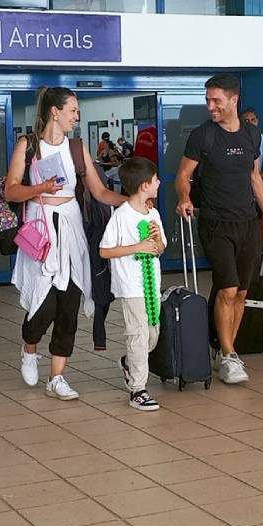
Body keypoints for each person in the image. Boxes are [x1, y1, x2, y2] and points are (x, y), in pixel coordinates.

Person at [5, 87, 126, 400]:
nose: (76, 116)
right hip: (41, 231)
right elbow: (11, 191)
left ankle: (57, 377)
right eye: (72, 110)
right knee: (43, 306)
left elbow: (99, 192)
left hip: (71, 230)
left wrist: (131, 201)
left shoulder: (77, 147)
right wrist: (40, 188)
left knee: (69, 305)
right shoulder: (28, 146)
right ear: (54, 111)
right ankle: (29, 347)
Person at [177, 74, 263, 384]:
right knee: (226, 288)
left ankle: (226, 348)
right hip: (215, 222)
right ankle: (228, 355)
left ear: (233, 99)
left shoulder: (251, 135)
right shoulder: (203, 136)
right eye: (208, 100)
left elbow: (254, 178)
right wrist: (184, 198)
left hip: (248, 222)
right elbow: (183, 175)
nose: (210, 106)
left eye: (216, 101)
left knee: (241, 291)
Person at [100, 157, 165, 411]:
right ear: (144, 185)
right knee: (138, 335)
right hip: (131, 286)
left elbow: (159, 249)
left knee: (152, 335)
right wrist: (137, 247)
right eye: (156, 179)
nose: (159, 183)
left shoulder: (154, 214)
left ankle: (129, 362)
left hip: (151, 284)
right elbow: (105, 251)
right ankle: (138, 389)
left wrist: (157, 242)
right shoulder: (121, 216)